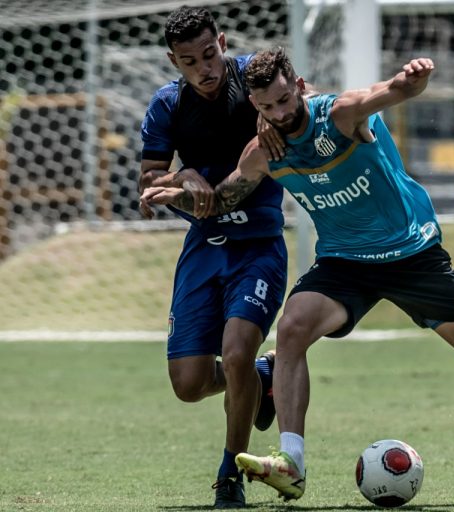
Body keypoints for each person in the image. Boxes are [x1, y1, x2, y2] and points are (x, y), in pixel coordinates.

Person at [142, 48, 454, 501]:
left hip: (411, 255)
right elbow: (225, 197)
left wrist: (414, 79)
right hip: (344, 265)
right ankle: (292, 462)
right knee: (291, 330)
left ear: (300, 87)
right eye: (268, 105)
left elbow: (391, 91)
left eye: (286, 99)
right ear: (255, 105)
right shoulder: (262, 151)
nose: (281, 112)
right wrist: (178, 194)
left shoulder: (342, 114)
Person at [138, 7, 289, 509]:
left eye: (209, 54)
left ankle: (231, 475)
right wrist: (182, 178)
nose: (204, 68)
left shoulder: (255, 83)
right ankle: (263, 379)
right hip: (203, 248)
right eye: (189, 62)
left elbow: (299, 108)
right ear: (173, 61)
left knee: (239, 350)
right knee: (189, 384)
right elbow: (147, 184)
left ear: (222, 41)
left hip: (258, 248)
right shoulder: (166, 106)